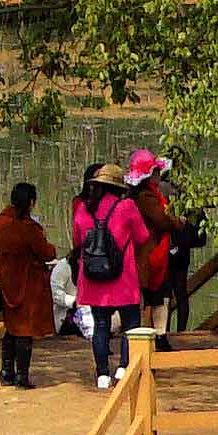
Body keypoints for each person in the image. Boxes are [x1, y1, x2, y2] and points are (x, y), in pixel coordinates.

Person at [67, 164, 152, 389]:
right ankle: (124, 367)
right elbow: (143, 237)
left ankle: (102, 374)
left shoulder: (84, 209)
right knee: (131, 325)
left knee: (101, 326)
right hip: (123, 277)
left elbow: (77, 241)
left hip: (94, 278)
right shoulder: (126, 206)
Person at [0, 181, 59, 389]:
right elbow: (47, 252)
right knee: (25, 329)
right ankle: (22, 375)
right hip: (29, 282)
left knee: (11, 327)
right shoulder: (28, 228)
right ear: (31, 202)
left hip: (8, 279)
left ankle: (6, 371)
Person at [133, 152, 201, 337]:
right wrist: (178, 221)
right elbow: (162, 219)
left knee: (164, 294)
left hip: (162, 250)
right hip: (153, 252)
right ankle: (158, 335)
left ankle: (164, 334)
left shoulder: (154, 191)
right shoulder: (146, 195)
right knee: (160, 294)